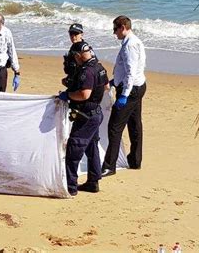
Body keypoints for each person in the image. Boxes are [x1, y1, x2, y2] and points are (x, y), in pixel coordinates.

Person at [57, 41, 109, 196]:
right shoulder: (100, 67)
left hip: (85, 116)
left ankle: (70, 187)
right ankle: (93, 181)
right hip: (96, 113)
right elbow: (106, 87)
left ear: (78, 55)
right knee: (92, 148)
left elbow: (84, 94)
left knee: (74, 149)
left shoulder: (87, 72)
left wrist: (68, 95)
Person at [101, 15, 147, 177]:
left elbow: (130, 72)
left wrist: (124, 95)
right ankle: (135, 160)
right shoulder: (133, 41)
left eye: (115, 29)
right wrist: (115, 81)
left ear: (123, 27)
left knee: (114, 127)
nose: (114, 33)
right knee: (135, 125)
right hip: (137, 86)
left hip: (131, 89)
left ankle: (109, 166)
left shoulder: (130, 45)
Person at [62, 23, 97, 92]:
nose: (73, 36)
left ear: (82, 34)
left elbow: (92, 68)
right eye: (71, 33)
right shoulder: (74, 47)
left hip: (83, 85)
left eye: (76, 33)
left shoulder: (84, 49)